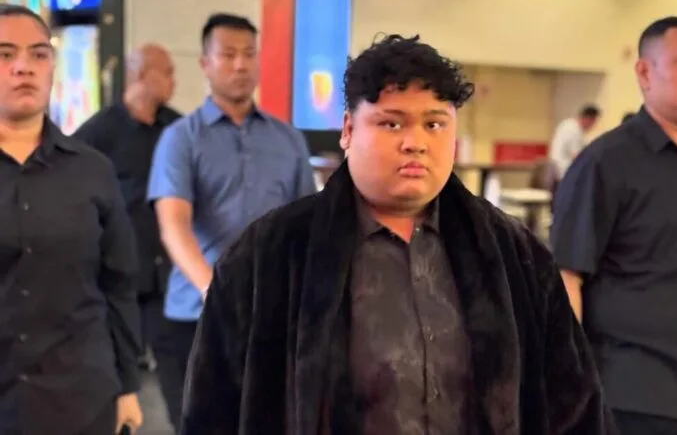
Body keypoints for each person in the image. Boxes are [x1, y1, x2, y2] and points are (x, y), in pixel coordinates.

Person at [180, 34, 614, 435]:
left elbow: (574, 405)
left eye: (434, 124)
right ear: (348, 129)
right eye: (392, 124)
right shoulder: (269, 256)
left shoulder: (513, 254)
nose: (415, 142)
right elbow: (212, 410)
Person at [551, 16, 677, 435]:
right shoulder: (606, 162)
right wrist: (569, 385)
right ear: (644, 72)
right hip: (634, 396)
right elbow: (567, 276)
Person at [147, 12, 317, 431]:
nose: (240, 64)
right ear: (205, 64)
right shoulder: (181, 138)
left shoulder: (288, 139)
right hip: (196, 317)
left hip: (271, 315)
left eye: (249, 54)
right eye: (227, 55)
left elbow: (307, 225)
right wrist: (215, 289)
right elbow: (173, 225)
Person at [0, 4, 143, 435]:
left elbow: (118, 284)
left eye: (38, 54)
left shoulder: (92, 170)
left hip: (79, 400)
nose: (23, 67)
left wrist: (128, 387)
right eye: (5, 54)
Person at [74, 43, 180, 372]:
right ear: (142, 75)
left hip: (169, 274)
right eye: (167, 72)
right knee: (119, 368)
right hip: (118, 272)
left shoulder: (178, 130)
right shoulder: (97, 133)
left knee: (178, 368)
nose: (174, 80)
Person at [548, 104, 600, 179]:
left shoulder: (567, 124)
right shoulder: (574, 130)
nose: (593, 126)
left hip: (557, 169)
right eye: (593, 122)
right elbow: (578, 156)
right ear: (588, 119)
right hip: (563, 171)